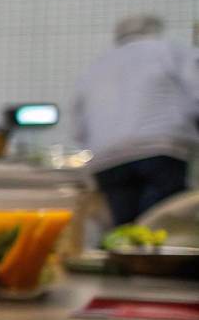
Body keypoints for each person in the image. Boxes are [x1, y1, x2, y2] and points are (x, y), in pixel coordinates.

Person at [73, 15, 199, 226]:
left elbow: (78, 128)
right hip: (160, 150)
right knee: (161, 227)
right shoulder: (170, 51)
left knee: (125, 231)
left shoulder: (96, 66)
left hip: (107, 159)